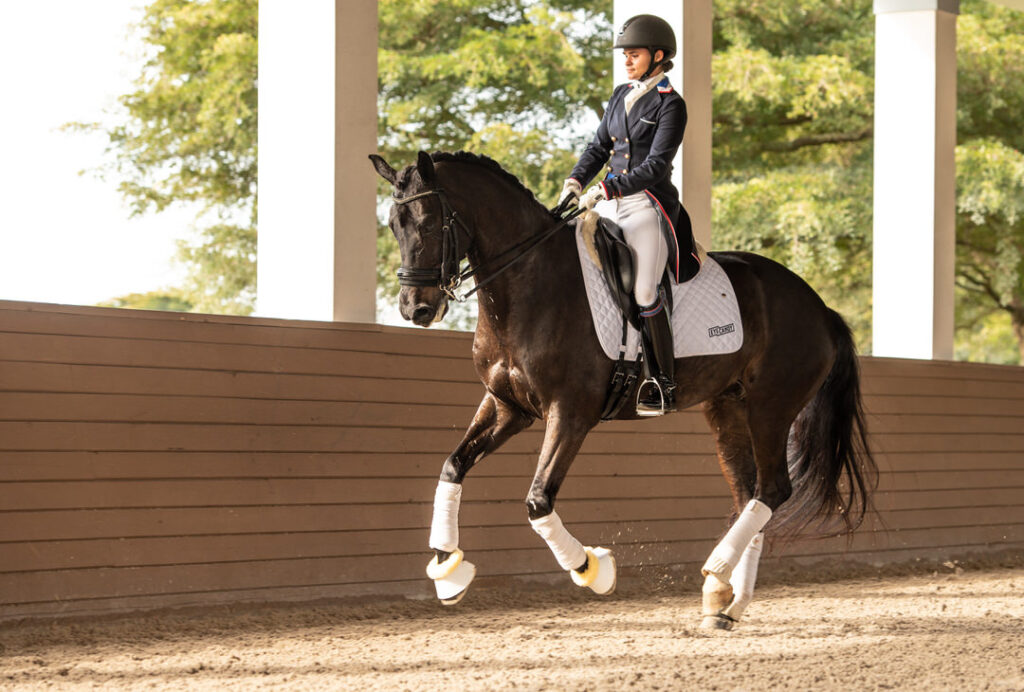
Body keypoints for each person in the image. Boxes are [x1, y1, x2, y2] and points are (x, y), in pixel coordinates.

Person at [560, 14, 699, 416]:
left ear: (658, 56)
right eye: (625, 54)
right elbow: (598, 146)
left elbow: (657, 165)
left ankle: (662, 380)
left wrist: (610, 187)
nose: (627, 60)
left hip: (646, 206)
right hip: (606, 204)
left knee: (643, 292)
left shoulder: (671, 104)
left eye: (634, 54)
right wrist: (575, 180)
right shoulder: (621, 95)